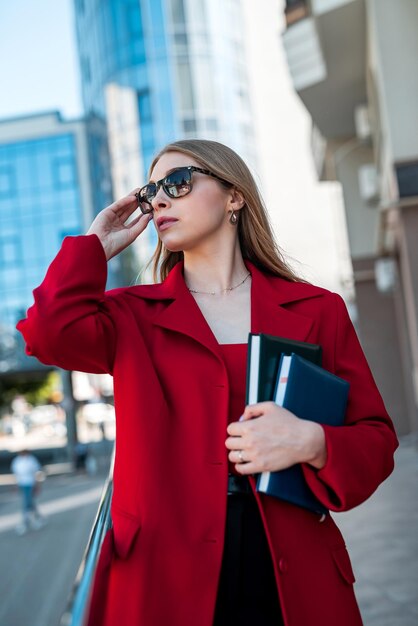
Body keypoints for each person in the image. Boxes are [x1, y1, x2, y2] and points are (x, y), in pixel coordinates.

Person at [17, 139, 398, 626]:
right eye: (151, 191)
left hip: (289, 569)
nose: (158, 200)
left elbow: (376, 439)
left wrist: (312, 442)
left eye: (176, 183)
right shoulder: (132, 316)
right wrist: (96, 246)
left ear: (234, 195)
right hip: (164, 576)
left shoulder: (316, 310)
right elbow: (48, 333)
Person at [10, 449, 45, 535]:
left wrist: (37, 485)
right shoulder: (17, 461)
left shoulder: (31, 460)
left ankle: (26, 522)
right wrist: (15, 485)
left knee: (27, 503)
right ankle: (37, 518)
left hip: (30, 484)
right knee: (30, 503)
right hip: (22, 484)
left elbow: (37, 473)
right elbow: (16, 474)